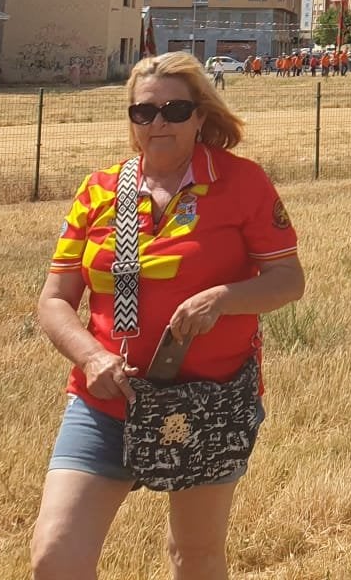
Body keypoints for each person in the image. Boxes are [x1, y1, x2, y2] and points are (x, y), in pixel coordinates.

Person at [30, 52, 303, 579]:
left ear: (200, 116)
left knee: (194, 555)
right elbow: (53, 300)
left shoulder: (241, 183)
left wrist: (222, 298)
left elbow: (288, 280)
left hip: (208, 399)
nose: (158, 123)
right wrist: (91, 358)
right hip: (107, 398)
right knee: (55, 556)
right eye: (144, 112)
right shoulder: (101, 190)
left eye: (175, 111)